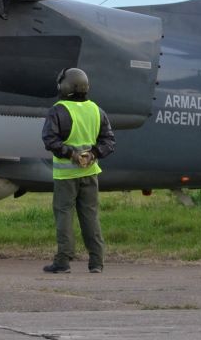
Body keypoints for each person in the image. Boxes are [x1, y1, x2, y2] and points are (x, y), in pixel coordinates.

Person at [41, 67, 116, 274]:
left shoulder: (58, 109)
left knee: (64, 215)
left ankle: (63, 261)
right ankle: (97, 262)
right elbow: (109, 141)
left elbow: (49, 140)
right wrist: (93, 154)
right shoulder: (96, 110)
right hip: (90, 173)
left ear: (64, 86)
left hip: (66, 175)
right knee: (90, 216)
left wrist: (71, 154)